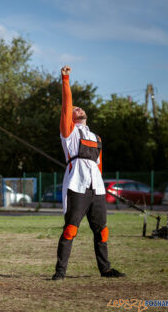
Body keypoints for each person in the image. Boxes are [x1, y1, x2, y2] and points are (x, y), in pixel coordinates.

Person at [52, 65, 125, 280]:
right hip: (77, 185)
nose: (78, 109)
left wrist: (101, 186)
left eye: (80, 108)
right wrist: (65, 79)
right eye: (75, 109)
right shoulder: (69, 132)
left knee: (102, 230)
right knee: (71, 229)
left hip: (97, 188)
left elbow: (99, 166)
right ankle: (60, 272)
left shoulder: (97, 138)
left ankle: (106, 269)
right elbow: (66, 104)